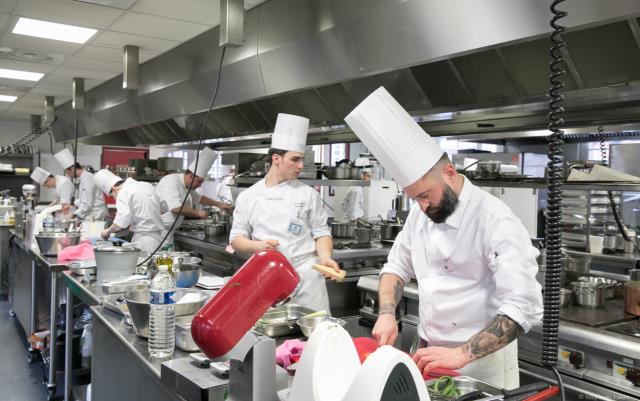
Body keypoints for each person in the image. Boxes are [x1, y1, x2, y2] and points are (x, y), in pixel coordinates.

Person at [345, 87, 543, 389]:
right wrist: (387, 314)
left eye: (426, 195)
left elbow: (523, 305)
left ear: (449, 172)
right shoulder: (420, 213)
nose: (422, 206)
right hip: (430, 353)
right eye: (414, 198)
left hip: (481, 365)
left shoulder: (495, 220)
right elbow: (395, 269)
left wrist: (462, 354)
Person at [229, 113, 340, 312]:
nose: (300, 166)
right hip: (268, 279)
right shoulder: (249, 196)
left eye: (302, 160)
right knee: (272, 337)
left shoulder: (308, 195)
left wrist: (325, 257)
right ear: (276, 159)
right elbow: (236, 239)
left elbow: (321, 233)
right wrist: (258, 246)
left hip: (307, 280)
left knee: (315, 337)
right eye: (295, 159)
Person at [156, 147, 233, 244]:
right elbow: (175, 208)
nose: (200, 185)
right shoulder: (171, 181)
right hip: (158, 234)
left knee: (166, 259)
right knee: (158, 259)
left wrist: (219, 204)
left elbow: (199, 198)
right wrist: (198, 213)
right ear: (191, 176)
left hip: (168, 233)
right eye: (199, 181)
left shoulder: (186, 186)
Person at [94, 169, 164, 256]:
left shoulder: (123, 192)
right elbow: (163, 207)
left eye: (112, 196)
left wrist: (107, 232)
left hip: (144, 242)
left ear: (114, 189)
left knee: (142, 267)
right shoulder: (146, 185)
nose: (114, 199)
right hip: (158, 239)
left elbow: (120, 224)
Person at [54, 148, 107, 221]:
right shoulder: (84, 178)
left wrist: (74, 215)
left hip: (96, 214)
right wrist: (72, 205)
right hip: (93, 213)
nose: (68, 175)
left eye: (68, 172)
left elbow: (87, 204)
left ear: (72, 169)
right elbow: (84, 200)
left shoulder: (87, 179)